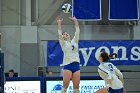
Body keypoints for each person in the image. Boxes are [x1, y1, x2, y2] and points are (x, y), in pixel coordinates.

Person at [56, 16, 80, 93]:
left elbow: (78, 31)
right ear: (63, 37)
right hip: (68, 65)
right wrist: (59, 23)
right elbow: (59, 33)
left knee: (76, 89)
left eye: (67, 33)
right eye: (64, 34)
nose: (66, 34)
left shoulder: (74, 41)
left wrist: (75, 21)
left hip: (76, 65)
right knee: (65, 88)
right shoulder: (63, 44)